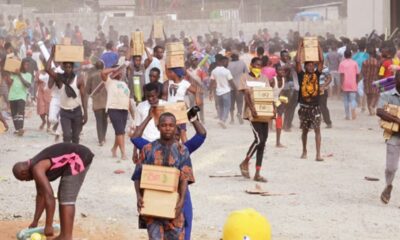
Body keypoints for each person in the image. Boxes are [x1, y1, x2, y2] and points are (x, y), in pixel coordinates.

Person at [130, 106, 206, 240]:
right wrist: (138, 196)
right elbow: (137, 175)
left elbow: (184, 178)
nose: (168, 128)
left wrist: (181, 201)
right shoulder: (148, 149)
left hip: (175, 202)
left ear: (176, 128)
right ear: (158, 127)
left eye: (171, 125)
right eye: (164, 125)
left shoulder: (183, 150)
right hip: (152, 203)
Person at [12, 143, 94, 240]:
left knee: (66, 196)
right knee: (63, 195)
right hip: (77, 156)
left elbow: (49, 196)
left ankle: (66, 237)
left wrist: (49, 225)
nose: (27, 181)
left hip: (79, 157)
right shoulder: (35, 166)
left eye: (24, 179)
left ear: (23, 173)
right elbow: (41, 195)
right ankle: (64, 235)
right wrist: (35, 221)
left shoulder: (37, 168)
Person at [46, 47, 88, 144]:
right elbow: (47, 69)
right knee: (66, 136)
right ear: (63, 68)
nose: (68, 69)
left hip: (77, 111)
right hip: (65, 113)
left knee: (75, 137)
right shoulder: (59, 79)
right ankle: (67, 156)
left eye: (70, 67)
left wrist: (85, 113)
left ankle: (74, 156)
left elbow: (83, 97)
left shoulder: (79, 79)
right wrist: (52, 55)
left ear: (72, 68)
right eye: (66, 67)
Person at [239, 57, 271, 182]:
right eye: (256, 65)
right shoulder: (244, 77)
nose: (258, 68)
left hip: (264, 112)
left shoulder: (264, 78)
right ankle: (245, 162)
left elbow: (268, 94)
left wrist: (272, 110)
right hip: (252, 113)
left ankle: (257, 173)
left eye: (260, 66)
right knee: (259, 139)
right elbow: (246, 95)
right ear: (251, 65)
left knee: (263, 142)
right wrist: (252, 109)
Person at [295, 39, 324, 161]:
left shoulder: (317, 74)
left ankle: (318, 154)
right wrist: (300, 46)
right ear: (305, 66)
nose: (311, 67)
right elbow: (297, 60)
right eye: (309, 65)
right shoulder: (301, 75)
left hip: (315, 107)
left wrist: (318, 46)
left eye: (313, 65)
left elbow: (321, 60)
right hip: (304, 107)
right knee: (305, 131)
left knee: (317, 130)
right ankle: (304, 151)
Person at [377, 71, 400, 204]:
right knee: (391, 167)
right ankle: (388, 185)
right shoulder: (387, 95)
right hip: (393, 135)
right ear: (396, 80)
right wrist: (397, 120)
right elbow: (379, 111)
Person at [101, 65, 133, 160]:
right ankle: (123, 153)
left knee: (120, 132)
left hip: (124, 109)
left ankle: (114, 148)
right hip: (113, 108)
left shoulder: (124, 84)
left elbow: (128, 99)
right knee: (120, 131)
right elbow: (103, 72)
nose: (120, 73)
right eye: (119, 71)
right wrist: (114, 69)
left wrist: (132, 114)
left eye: (121, 71)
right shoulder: (109, 82)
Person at [133, 82, 166, 162]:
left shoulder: (165, 105)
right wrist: (135, 151)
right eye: (148, 96)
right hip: (144, 144)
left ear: (157, 93)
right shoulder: (140, 107)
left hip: (161, 143)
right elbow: (138, 129)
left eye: (153, 96)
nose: (150, 98)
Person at [163, 67, 197, 141]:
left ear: (175, 74)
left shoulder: (185, 83)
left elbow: (195, 91)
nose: (169, 74)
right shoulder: (168, 82)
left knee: (182, 132)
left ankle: (186, 151)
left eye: (171, 72)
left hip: (180, 110)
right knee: (172, 133)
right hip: (170, 110)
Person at [5, 58, 32, 136]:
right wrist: (7, 73)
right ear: (22, 65)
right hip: (12, 96)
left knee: (20, 113)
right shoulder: (14, 74)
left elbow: (28, 85)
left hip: (21, 96)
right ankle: (17, 129)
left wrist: (20, 75)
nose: (27, 66)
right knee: (14, 114)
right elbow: (9, 83)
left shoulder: (28, 75)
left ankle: (20, 128)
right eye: (26, 64)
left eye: (28, 65)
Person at [85, 61, 107, 146]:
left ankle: (100, 139)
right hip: (106, 101)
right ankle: (104, 137)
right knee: (104, 120)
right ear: (103, 67)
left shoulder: (91, 76)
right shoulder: (106, 75)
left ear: (95, 67)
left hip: (96, 102)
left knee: (99, 121)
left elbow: (87, 90)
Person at [210, 56, 234, 128]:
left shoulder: (214, 71)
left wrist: (210, 92)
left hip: (218, 92)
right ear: (220, 62)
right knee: (227, 106)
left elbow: (212, 82)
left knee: (221, 107)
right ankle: (223, 120)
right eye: (225, 62)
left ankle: (220, 119)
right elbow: (231, 81)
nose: (227, 63)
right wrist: (236, 89)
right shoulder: (227, 71)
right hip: (226, 91)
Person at [279, 50, 299, 131]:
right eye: (285, 56)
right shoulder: (285, 65)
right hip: (286, 89)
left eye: (288, 56)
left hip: (294, 88)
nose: (286, 57)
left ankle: (287, 125)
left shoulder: (294, 65)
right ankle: (285, 125)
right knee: (285, 107)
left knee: (291, 107)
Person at [339, 49, 359, 120]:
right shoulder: (355, 63)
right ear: (351, 55)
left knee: (346, 100)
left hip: (345, 83)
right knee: (353, 99)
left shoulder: (342, 63)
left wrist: (341, 84)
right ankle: (353, 111)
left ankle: (347, 115)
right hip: (353, 83)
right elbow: (357, 74)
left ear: (344, 55)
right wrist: (356, 82)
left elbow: (341, 75)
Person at [228, 52, 247, 124]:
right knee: (240, 102)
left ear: (232, 58)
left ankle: (232, 119)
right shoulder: (242, 63)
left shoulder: (228, 64)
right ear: (238, 57)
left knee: (231, 103)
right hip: (239, 86)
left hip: (230, 86)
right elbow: (246, 73)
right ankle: (239, 113)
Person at [362, 45, 381, 116]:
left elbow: (363, 72)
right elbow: (379, 72)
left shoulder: (365, 62)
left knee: (368, 95)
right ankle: (372, 106)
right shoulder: (377, 62)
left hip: (367, 80)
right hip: (376, 80)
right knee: (376, 94)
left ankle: (370, 111)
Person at [271, 64, 286, 147]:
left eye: (283, 70)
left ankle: (278, 142)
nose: (282, 71)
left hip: (277, 101)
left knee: (279, 120)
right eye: (280, 70)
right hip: (270, 101)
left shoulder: (284, 79)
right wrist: (273, 106)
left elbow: (281, 92)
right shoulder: (272, 81)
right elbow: (267, 93)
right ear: (276, 72)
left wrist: (282, 102)